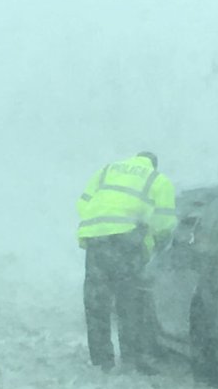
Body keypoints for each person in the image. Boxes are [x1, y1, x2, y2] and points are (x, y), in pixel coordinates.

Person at [76, 151, 177, 372]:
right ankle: (131, 359)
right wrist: (155, 243)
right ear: (154, 164)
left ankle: (102, 361)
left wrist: (101, 226)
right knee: (129, 302)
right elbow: (165, 222)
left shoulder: (108, 170)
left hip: (97, 240)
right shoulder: (157, 179)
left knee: (96, 302)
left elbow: (83, 203)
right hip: (128, 243)